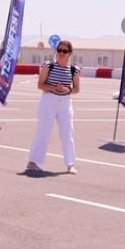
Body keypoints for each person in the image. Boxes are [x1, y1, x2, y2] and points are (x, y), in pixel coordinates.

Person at [26, 40, 80, 174]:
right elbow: (40, 85)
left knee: (68, 133)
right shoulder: (48, 66)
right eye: (59, 50)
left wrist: (67, 90)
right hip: (48, 101)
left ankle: (70, 164)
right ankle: (32, 162)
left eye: (64, 51)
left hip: (65, 103)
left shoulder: (74, 70)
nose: (61, 53)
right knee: (43, 132)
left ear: (70, 53)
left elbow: (76, 89)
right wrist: (54, 87)